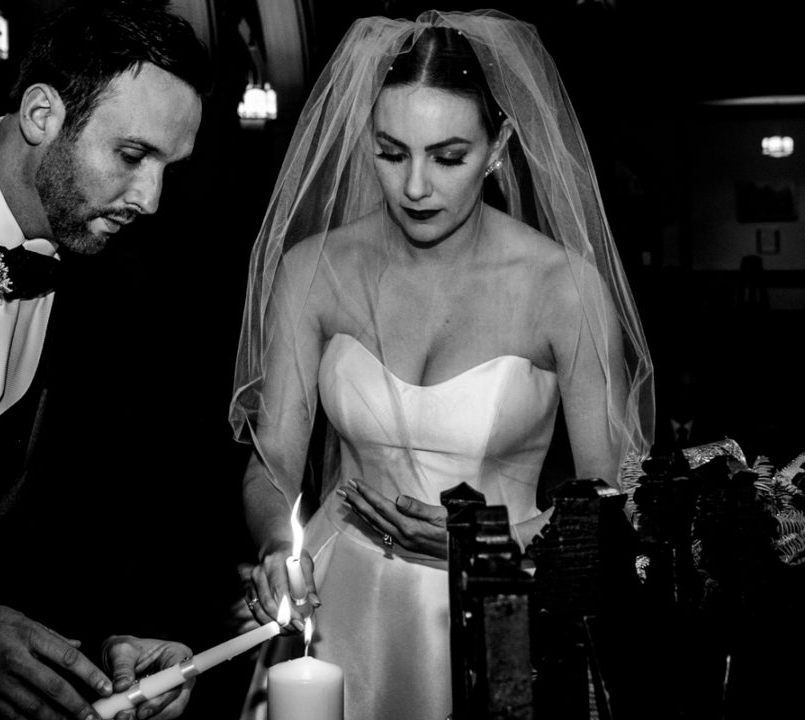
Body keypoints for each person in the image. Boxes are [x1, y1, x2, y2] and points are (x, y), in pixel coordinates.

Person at [228, 10, 655, 720]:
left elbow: (611, 501)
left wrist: (488, 539)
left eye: (448, 156)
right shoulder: (313, 270)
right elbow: (272, 461)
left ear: (497, 149)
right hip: (338, 605)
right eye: (391, 153)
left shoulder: (563, 287)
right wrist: (279, 542)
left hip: (501, 608)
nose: (415, 186)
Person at [0, 2, 211, 719]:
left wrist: (132, 630)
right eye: (133, 155)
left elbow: (129, 496)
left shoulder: (135, 285)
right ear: (43, 115)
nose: (150, 199)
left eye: (169, 168)